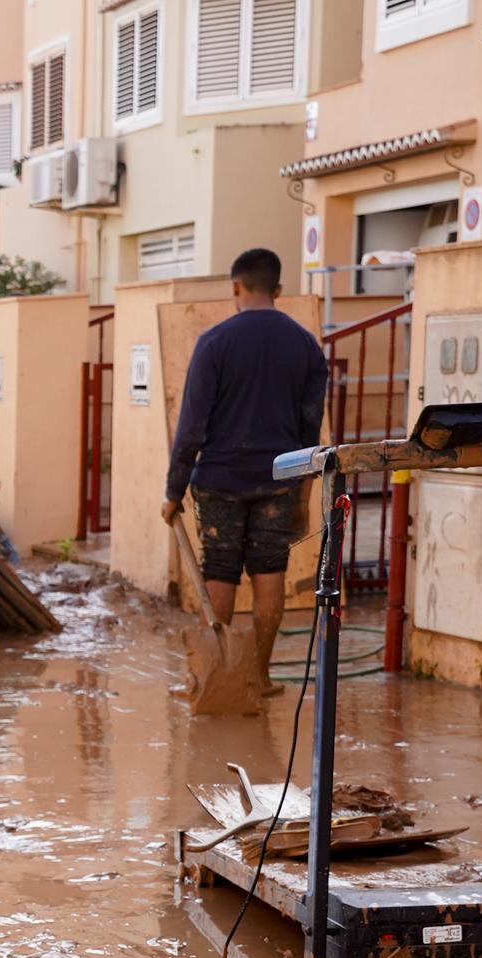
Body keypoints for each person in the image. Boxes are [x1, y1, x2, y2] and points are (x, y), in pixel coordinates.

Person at [161, 246, 329, 680]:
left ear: (236, 286)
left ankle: (217, 679)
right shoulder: (306, 347)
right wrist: (304, 495)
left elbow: (191, 427)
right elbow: (310, 431)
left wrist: (173, 491)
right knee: (269, 571)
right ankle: (259, 676)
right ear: (278, 289)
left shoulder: (214, 343)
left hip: (219, 480)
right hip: (280, 481)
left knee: (220, 569)